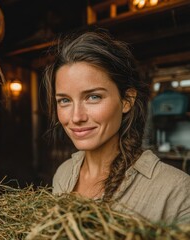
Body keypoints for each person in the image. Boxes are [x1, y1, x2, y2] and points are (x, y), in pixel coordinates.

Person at [43, 29, 190, 223]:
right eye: (64, 101)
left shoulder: (175, 191)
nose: (76, 117)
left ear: (127, 100)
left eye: (93, 97)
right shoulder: (63, 174)